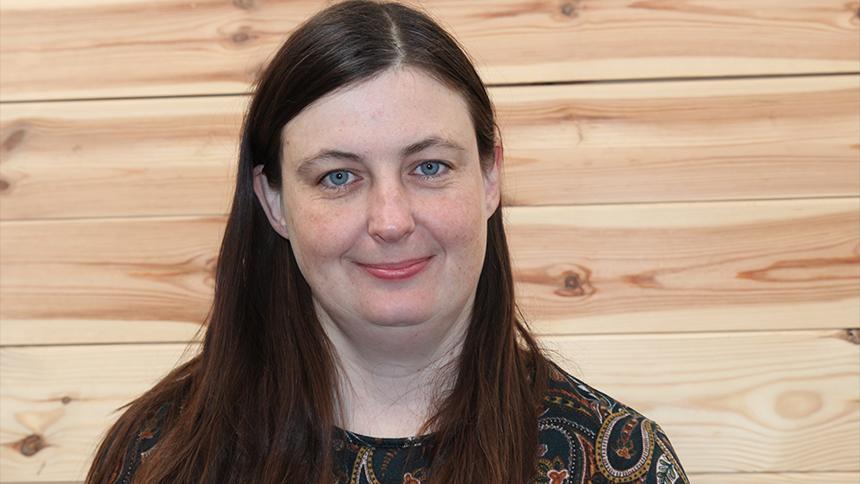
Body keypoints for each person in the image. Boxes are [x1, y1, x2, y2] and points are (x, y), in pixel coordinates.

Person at [85, 1, 688, 483]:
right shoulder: (157, 457)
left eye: (428, 166)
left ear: (490, 177)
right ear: (273, 202)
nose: (391, 220)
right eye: (338, 177)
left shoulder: (614, 463)